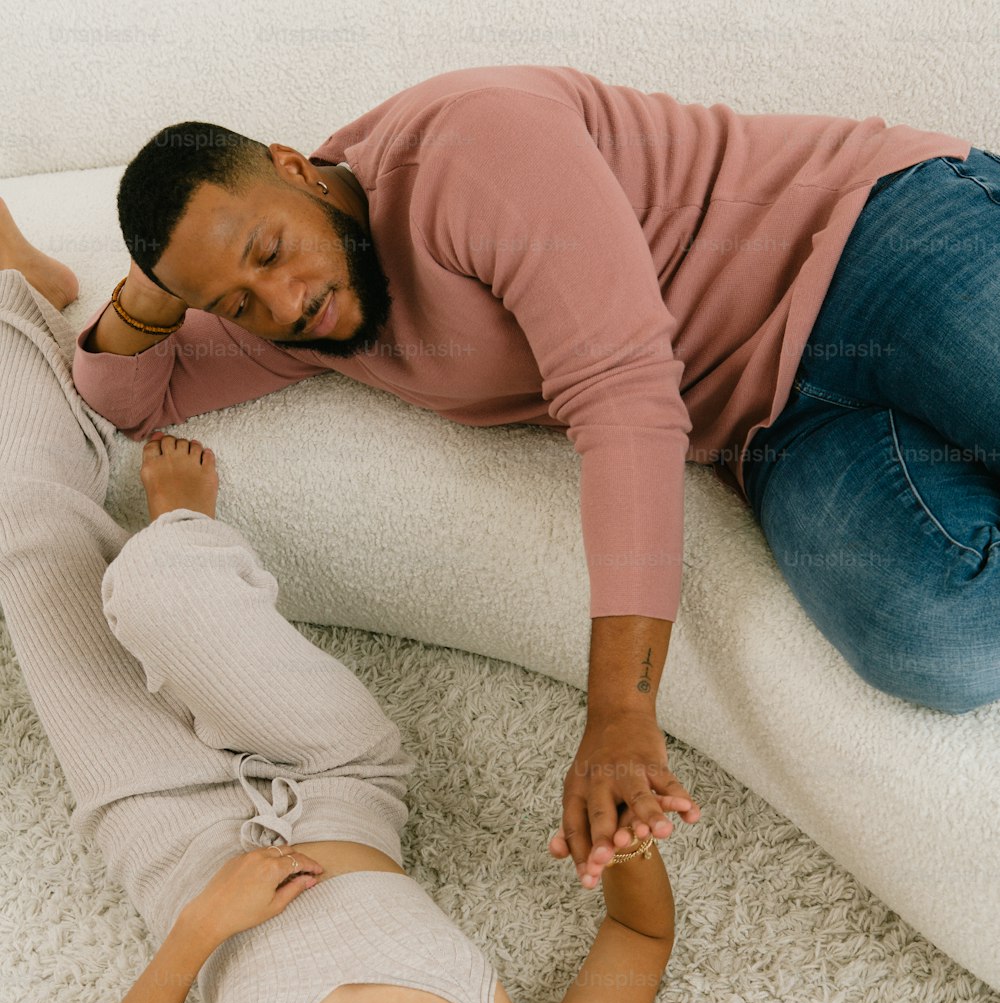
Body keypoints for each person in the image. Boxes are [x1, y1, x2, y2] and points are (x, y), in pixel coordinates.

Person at [0, 235, 844, 1003]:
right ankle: (183, 529)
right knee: (157, 585)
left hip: (155, 820)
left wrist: (200, 930)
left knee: (27, 540)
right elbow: (639, 940)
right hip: (329, 767)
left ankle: (17, 305)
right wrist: (626, 849)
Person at [68, 66, 1000, 904]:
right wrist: (159, 290)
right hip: (780, 428)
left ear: (297, 169)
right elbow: (129, 391)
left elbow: (626, 401)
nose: (278, 303)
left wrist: (622, 713)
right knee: (940, 644)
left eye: (269, 254)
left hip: (874, 238)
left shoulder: (470, 146)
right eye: (234, 303)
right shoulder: (307, 322)